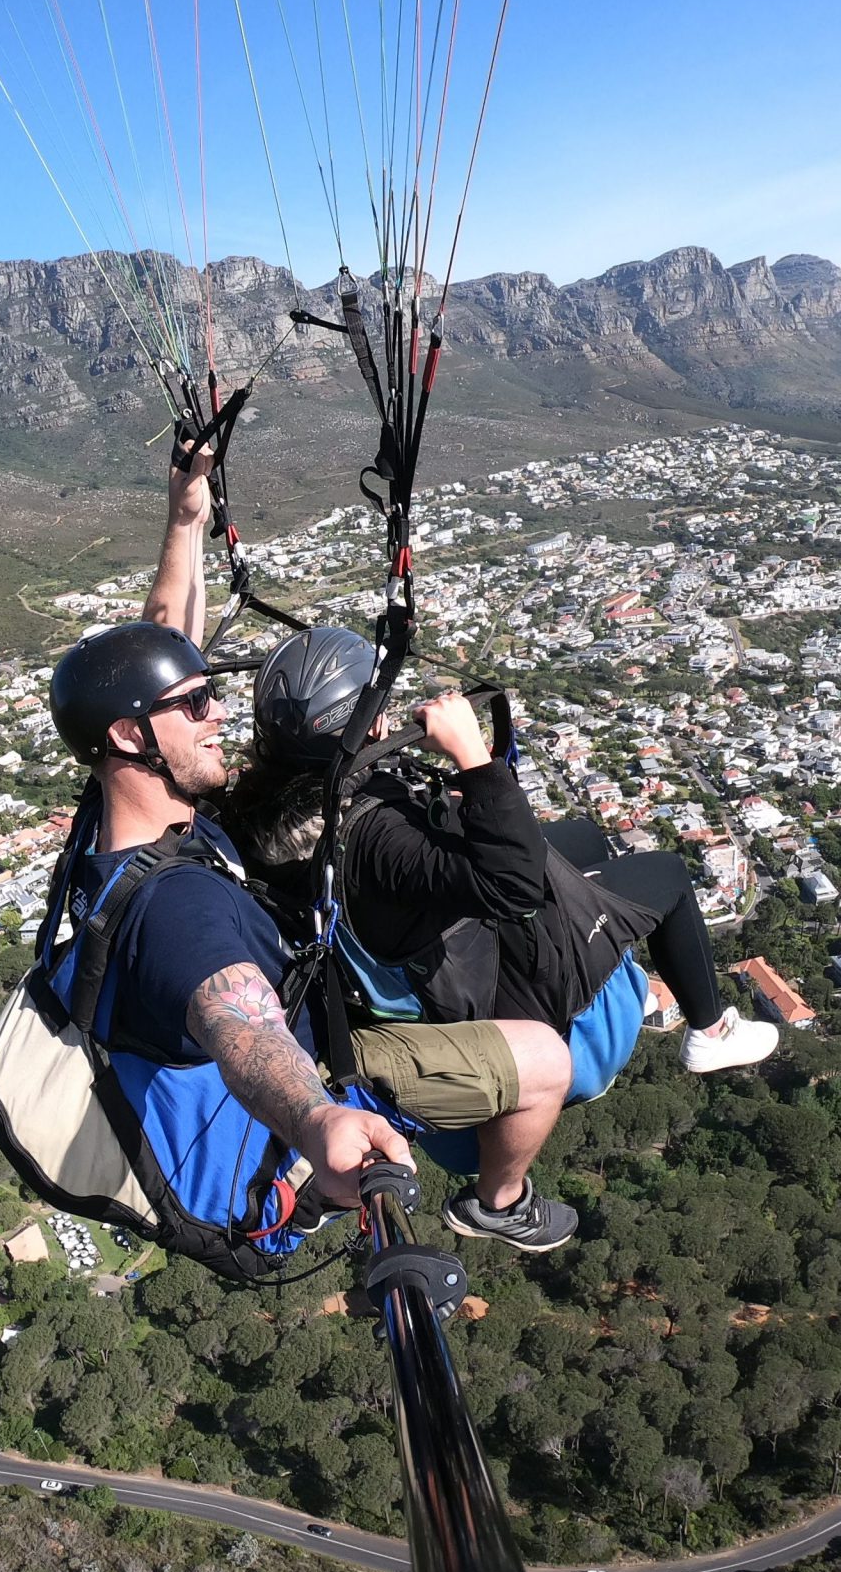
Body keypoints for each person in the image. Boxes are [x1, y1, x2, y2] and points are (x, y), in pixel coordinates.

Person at [41, 460, 583, 1251]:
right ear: (134, 737)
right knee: (545, 1057)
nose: (220, 713)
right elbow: (243, 1026)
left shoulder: (116, 810)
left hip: (253, 1030)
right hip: (300, 1079)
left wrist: (185, 519)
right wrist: (316, 1114)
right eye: (196, 704)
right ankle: (497, 1207)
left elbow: (159, 639)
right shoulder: (177, 909)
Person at [214, 626, 779, 1077]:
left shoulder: (271, 805)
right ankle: (708, 1033)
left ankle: (605, 902)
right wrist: (472, 758)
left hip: (417, 921)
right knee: (669, 875)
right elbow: (516, 886)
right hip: (493, 979)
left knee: (584, 835)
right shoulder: (373, 834)